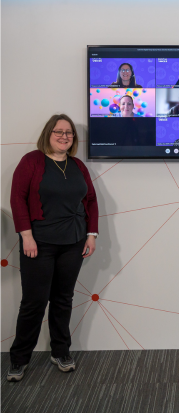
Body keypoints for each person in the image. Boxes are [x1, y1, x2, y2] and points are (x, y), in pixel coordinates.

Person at [7, 114, 98, 382]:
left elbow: (90, 200)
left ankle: (60, 351)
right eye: (59, 132)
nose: (64, 136)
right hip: (39, 243)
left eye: (69, 133)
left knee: (63, 299)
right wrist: (26, 236)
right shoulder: (32, 161)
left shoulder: (78, 165)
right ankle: (19, 359)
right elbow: (17, 199)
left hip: (74, 242)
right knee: (34, 303)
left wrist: (91, 234)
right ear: (48, 133)